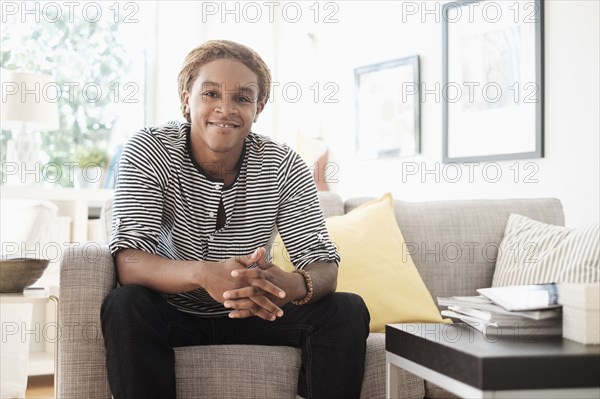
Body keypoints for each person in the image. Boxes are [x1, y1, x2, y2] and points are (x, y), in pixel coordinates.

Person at [100, 39, 370, 399]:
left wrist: (292, 284)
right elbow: (129, 262)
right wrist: (204, 274)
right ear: (186, 99)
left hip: (257, 313)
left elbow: (324, 266)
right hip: (172, 312)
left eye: (242, 98)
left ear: (258, 108)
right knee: (125, 304)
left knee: (346, 308)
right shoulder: (149, 150)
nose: (225, 109)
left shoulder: (284, 165)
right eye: (210, 94)